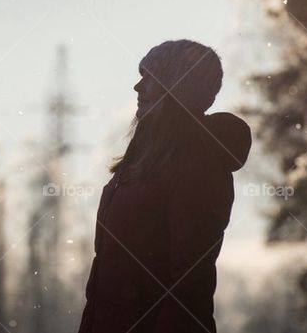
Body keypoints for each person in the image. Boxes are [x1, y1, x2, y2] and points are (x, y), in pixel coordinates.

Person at [77, 39, 251, 333]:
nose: (138, 87)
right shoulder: (143, 160)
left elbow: (189, 279)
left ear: (178, 89)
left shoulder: (197, 162)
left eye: (151, 78)